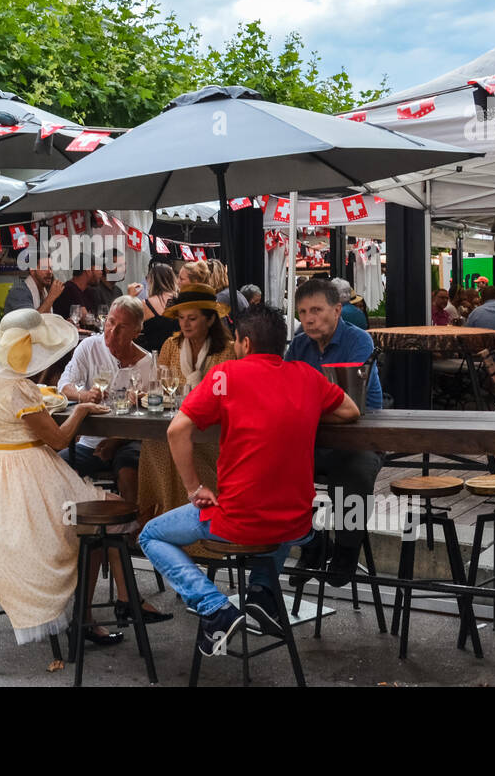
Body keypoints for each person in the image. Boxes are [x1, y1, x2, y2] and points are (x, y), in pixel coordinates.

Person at [140, 305, 360, 653]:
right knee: (272, 515)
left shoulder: (226, 375)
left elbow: (177, 429)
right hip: (295, 521)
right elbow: (351, 411)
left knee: (150, 535)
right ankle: (261, 592)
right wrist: (304, 414)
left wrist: (195, 488)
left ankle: (213, 606)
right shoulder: (308, 375)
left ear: (244, 342)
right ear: (283, 344)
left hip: (239, 521)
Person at [0, 307, 168, 650]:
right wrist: (84, 410)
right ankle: (91, 615)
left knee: (103, 517)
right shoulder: (20, 389)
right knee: (108, 515)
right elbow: (59, 440)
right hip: (31, 481)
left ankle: (114, 605)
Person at [285, 279, 383, 586]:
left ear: (337, 310)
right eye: (302, 312)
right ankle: (311, 543)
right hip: (313, 439)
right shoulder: (299, 345)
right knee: (275, 466)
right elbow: (287, 393)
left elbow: (351, 401)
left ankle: (346, 549)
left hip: (359, 438)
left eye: (316, 310)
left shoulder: (358, 340)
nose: (309, 318)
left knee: (353, 473)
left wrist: (307, 406)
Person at [136, 284, 235, 523]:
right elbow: (161, 384)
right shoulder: (172, 345)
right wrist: (142, 395)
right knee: (153, 443)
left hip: (211, 431)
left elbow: (226, 397)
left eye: (192, 318)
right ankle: (163, 514)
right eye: (181, 318)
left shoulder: (228, 351)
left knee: (171, 444)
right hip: (176, 424)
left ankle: (197, 519)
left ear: (210, 320)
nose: (185, 324)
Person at [56, 296, 154, 504]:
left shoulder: (147, 363)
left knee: (129, 474)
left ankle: (132, 532)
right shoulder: (90, 346)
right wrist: (84, 395)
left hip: (129, 440)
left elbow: (153, 413)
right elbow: (64, 386)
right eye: (110, 322)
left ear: (136, 332)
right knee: (55, 468)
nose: (112, 331)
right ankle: (72, 529)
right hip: (90, 442)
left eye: (122, 327)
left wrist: (116, 442)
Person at [132, 264, 179, 352]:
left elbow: (132, 330)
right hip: (177, 356)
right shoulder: (181, 300)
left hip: (154, 356)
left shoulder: (145, 304)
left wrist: (131, 298)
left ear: (151, 281)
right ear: (172, 280)